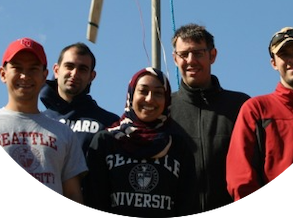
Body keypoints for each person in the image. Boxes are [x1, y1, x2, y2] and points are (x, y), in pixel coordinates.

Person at [226, 27, 293, 202]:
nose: (292, 59)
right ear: (274, 63)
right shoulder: (256, 110)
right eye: (283, 54)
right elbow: (240, 177)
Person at [0, 38, 87, 204]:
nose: (25, 76)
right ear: (3, 73)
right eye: (17, 68)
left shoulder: (64, 133)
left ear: (44, 76)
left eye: (33, 69)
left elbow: (73, 193)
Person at [86, 67, 197, 217]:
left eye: (158, 93)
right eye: (143, 91)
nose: (150, 99)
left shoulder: (178, 146)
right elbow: (94, 199)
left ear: (166, 100)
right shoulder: (106, 141)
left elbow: (188, 204)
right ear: (131, 95)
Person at [170, 23, 250, 213]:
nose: (191, 60)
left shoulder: (241, 106)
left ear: (212, 55)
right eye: (184, 54)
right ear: (174, 59)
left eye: (198, 53)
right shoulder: (164, 109)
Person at [40, 42, 119, 154]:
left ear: (91, 77)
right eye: (69, 66)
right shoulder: (38, 121)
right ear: (56, 71)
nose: (75, 74)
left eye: (82, 69)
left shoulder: (110, 123)